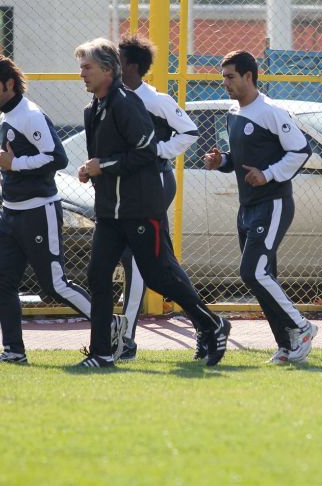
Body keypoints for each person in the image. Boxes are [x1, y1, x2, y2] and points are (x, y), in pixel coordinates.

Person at [75, 38, 230, 367]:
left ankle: (211, 324)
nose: (81, 74)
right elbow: (101, 157)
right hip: (110, 212)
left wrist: (105, 166)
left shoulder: (129, 104)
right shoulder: (92, 110)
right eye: (81, 67)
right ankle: (102, 353)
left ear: (108, 69)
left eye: (87, 67)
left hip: (140, 208)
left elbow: (145, 153)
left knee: (159, 276)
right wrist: (90, 170)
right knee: (98, 276)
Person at [0, 55, 127, 364]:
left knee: (54, 285)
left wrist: (15, 164)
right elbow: (20, 166)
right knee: (1, 280)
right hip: (9, 213)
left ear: (9, 84)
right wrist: (2, 178)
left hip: (38, 212)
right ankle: (13, 351)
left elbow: (57, 158)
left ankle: (110, 324)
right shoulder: (7, 117)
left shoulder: (30, 115)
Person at [203, 50, 317, 364]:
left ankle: (302, 327)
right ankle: (287, 346)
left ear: (249, 76)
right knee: (263, 277)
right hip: (247, 207)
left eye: (230, 77)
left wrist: (268, 174)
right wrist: (221, 161)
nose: (225, 83)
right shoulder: (232, 112)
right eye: (223, 77)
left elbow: (300, 151)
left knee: (252, 272)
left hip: (273, 203)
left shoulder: (271, 111)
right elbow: (239, 159)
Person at [116, 34, 202, 361]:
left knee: (135, 257)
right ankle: (208, 324)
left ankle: (125, 338)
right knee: (161, 263)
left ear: (132, 66)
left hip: (155, 182)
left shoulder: (155, 100)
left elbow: (189, 131)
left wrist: (158, 151)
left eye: (116, 59)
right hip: (128, 187)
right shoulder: (113, 98)